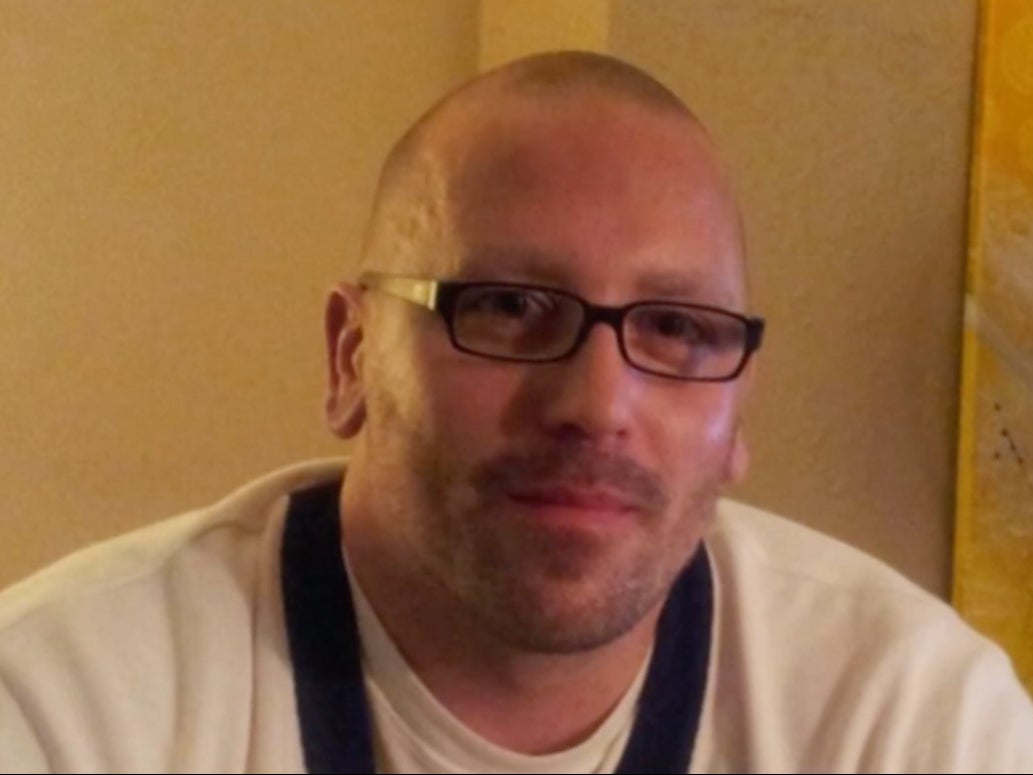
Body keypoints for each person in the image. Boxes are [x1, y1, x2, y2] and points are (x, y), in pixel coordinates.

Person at [1, 51, 1031, 774]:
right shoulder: (66, 706)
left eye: (676, 327)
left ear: (738, 408)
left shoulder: (910, 718)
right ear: (351, 355)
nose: (594, 403)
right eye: (505, 306)